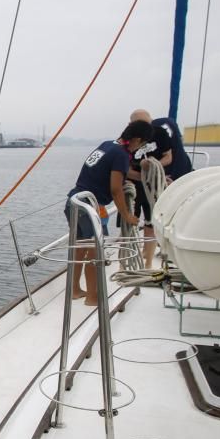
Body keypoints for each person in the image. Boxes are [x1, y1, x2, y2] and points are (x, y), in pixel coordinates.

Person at [64, 119, 153, 306]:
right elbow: (115, 188)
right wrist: (127, 215)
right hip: (90, 207)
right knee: (96, 253)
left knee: (80, 249)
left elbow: (117, 171)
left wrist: (143, 175)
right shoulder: (121, 154)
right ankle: (92, 297)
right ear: (136, 139)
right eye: (142, 144)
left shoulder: (108, 145)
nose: (140, 149)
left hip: (74, 202)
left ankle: (74, 290)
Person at [125, 109, 194, 267]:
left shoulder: (160, 133)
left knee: (151, 222)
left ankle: (148, 263)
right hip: (134, 186)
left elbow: (168, 157)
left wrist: (152, 167)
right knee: (129, 221)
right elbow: (124, 166)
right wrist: (142, 173)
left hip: (154, 185)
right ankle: (127, 260)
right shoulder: (127, 139)